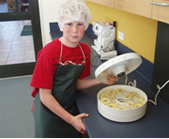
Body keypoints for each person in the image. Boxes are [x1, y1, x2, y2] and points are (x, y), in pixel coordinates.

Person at [30, 0, 118, 138]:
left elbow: (76, 83)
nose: (75, 30)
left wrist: (101, 80)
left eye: (80, 24)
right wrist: (71, 119)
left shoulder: (84, 51)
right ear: (60, 25)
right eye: (69, 24)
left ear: (86, 25)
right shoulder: (49, 53)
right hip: (48, 111)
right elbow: (45, 96)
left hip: (69, 106)